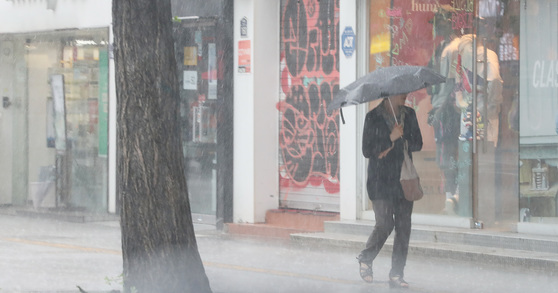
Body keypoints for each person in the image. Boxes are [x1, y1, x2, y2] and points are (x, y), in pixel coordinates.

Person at [357, 94, 423, 289]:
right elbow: (367, 150)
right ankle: (366, 257)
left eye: (405, 93)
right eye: (400, 94)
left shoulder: (409, 115)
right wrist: (389, 138)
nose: (404, 96)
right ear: (388, 96)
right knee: (385, 224)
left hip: (403, 179)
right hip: (381, 181)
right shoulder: (373, 117)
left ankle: (397, 273)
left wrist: (403, 137)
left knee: (403, 228)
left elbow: (418, 143)